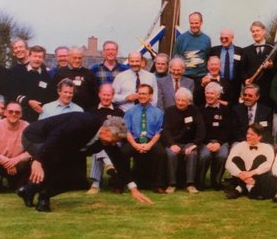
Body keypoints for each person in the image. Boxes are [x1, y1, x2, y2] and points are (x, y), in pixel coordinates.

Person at [18, 112, 152, 212]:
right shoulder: (83, 122)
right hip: (35, 137)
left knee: (78, 180)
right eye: (113, 140)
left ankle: (29, 191)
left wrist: (133, 188)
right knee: (54, 165)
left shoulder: (106, 138)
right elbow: (56, 136)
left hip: (58, 146)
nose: (112, 144)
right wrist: (37, 159)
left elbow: (119, 159)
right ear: (106, 130)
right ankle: (43, 200)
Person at [121, 84, 167, 193]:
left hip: (151, 140)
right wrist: (135, 145)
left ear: (150, 95)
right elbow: (127, 131)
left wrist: (149, 145)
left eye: (144, 94)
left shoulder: (158, 113)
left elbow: (158, 132)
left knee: (161, 153)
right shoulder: (130, 112)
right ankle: (121, 184)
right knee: (123, 153)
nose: (141, 96)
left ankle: (158, 185)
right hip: (135, 140)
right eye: (140, 93)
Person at [162, 87, 205, 194]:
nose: (180, 103)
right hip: (173, 143)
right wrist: (171, 144)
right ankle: (172, 184)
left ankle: (190, 184)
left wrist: (195, 144)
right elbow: (165, 130)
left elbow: (201, 128)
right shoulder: (169, 111)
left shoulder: (194, 110)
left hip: (188, 143)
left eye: (183, 101)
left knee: (192, 153)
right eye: (178, 100)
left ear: (189, 101)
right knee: (171, 154)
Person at [85, 83, 124, 194]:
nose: (106, 98)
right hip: (96, 141)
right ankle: (109, 164)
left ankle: (96, 184)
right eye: (104, 95)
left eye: (109, 95)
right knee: (99, 145)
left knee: (101, 145)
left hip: (114, 142)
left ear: (113, 96)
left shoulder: (119, 112)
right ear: (99, 95)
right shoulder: (91, 112)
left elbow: (121, 132)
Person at [224, 123, 275, 200]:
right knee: (236, 159)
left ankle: (239, 189)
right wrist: (241, 175)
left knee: (261, 158)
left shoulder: (267, 148)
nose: (248, 136)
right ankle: (249, 187)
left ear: (259, 136)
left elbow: (268, 165)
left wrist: (251, 173)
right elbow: (228, 164)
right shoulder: (239, 146)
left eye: (252, 134)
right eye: (247, 133)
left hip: (258, 178)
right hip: (240, 177)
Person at [198, 82, 232, 190]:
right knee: (204, 156)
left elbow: (228, 130)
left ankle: (216, 182)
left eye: (212, 93)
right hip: (205, 142)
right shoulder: (199, 110)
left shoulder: (226, 110)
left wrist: (219, 143)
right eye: (207, 93)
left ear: (218, 95)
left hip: (221, 142)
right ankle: (200, 182)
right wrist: (206, 143)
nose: (209, 96)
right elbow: (199, 130)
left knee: (222, 155)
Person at [11, 45, 55, 122]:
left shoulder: (47, 77)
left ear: (43, 59)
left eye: (40, 57)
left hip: (39, 117)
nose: (37, 59)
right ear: (29, 56)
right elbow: (12, 93)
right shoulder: (17, 72)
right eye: (35, 56)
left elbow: (50, 97)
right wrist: (28, 101)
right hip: (20, 116)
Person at [241, 21, 277, 107]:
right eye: (253, 31)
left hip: (268, 92)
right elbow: (242, 70)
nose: (255, 33)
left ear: (264, 31)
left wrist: (271, 66)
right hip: (251, 93)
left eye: (258, 30)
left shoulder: (273, 48)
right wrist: (245, 80)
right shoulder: (246, 50)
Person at [173, 11, 212, 81]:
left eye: (196, 23)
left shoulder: (206, 39)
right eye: (191, 23)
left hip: (201, 77)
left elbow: (207, 58)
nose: (194, 25)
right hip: (184, 77)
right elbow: (175, 58)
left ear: (201, 22)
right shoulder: (181, 38)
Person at [209, 28, 243, 106]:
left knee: (233, 109)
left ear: (232, 38)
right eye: (221, 38)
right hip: (218, 84)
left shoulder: (240, 51)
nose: (223, 40)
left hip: (234, 86)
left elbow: (242, 69)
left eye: (226, 38)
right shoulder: (214, 50)